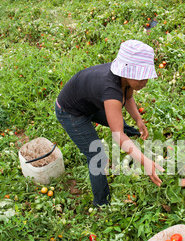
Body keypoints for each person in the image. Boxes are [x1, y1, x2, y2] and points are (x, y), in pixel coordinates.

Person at [55, 39, 164, 208]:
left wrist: (138, 119)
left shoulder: (123, 79)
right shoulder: (111, 91)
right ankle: (101, 204)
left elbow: (128, 97)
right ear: (127, 72)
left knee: (119, 122)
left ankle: (134, 135)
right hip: (71, 113)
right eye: (142, 77)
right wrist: (145, 162)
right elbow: (116, 135)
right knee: (98, 156)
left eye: (147, 77)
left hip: (89, 102)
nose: (145, 82)